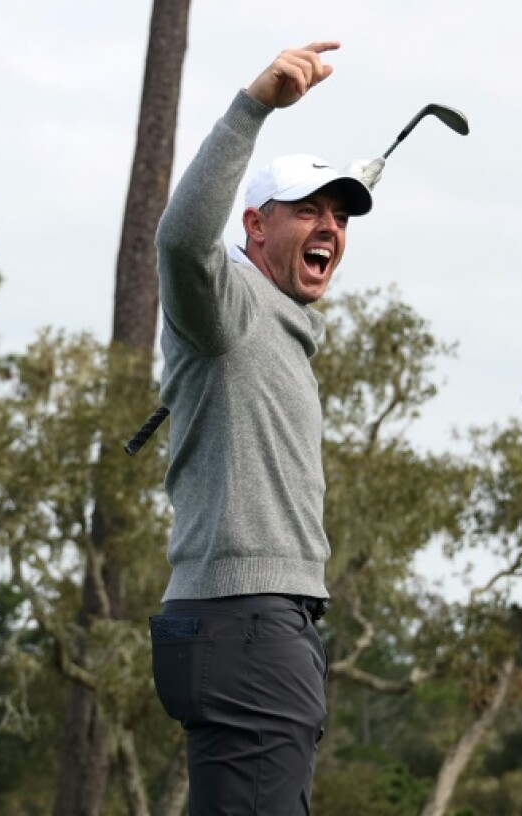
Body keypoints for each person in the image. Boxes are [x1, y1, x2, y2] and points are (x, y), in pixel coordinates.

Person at [146, 42, 377, 814]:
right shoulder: (226, 305)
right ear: (253, 224)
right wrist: (254, 108)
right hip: (245, 625)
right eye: (309, 209)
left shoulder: (278, 325)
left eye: (340, 215)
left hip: (258, 627)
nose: (331, 227)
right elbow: (180, 240)